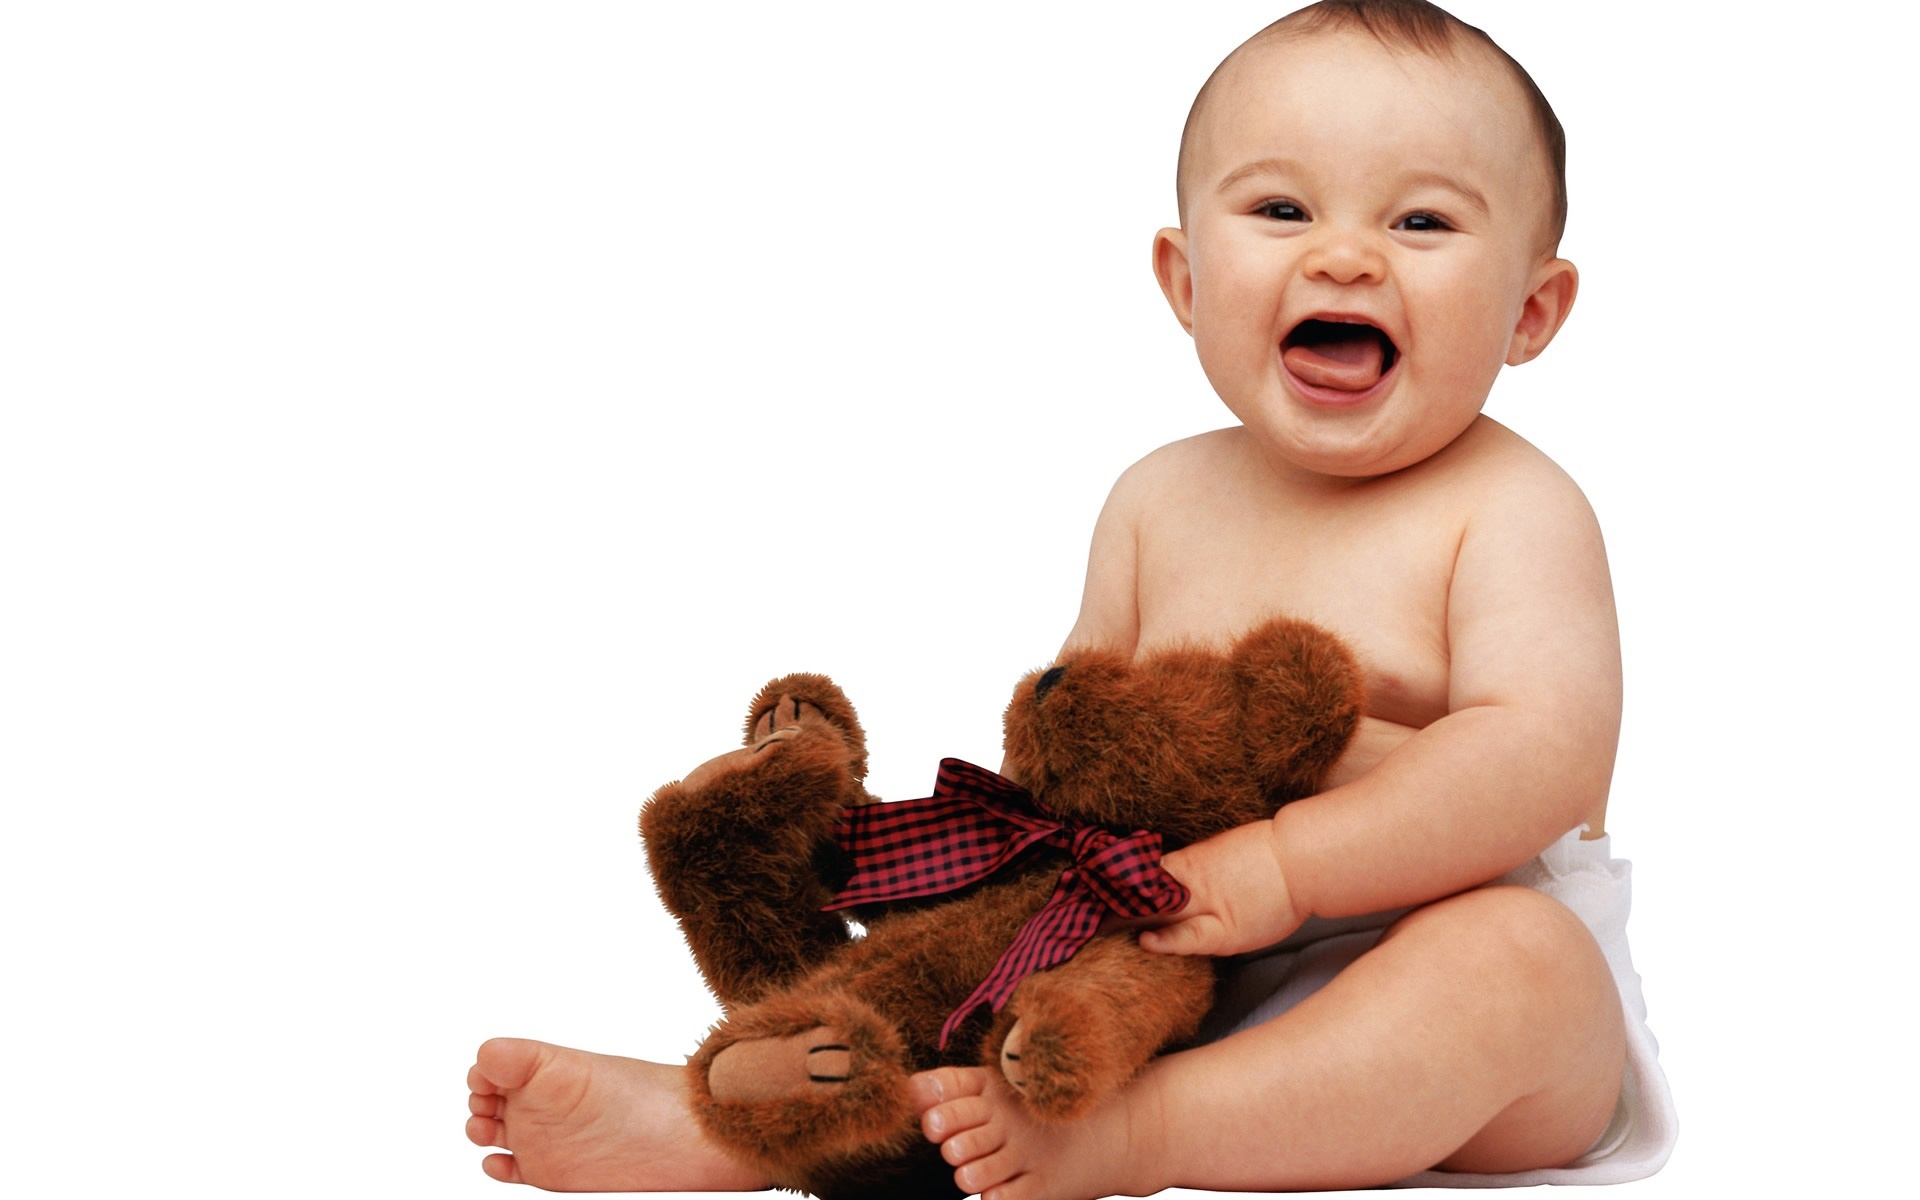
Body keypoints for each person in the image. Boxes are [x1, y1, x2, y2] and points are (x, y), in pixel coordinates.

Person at [465, 2, 1675, 1196]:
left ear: (1531, 311)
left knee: (1519, 964)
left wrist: (1290, 867)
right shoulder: (1158, 498)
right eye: (1280, 209)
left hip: (1446, 1004)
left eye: (1422, 220)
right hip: (1152, 974)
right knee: (976, 963)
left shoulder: (1513, 509)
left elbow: (1538, 759)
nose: (1344, 256)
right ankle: (730, 1128)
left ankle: (1149, 1138)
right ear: (1185, 280)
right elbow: (1072, 758)